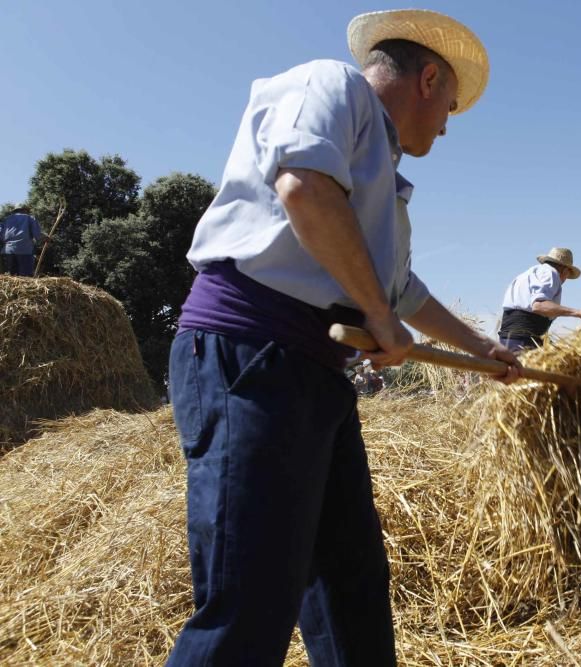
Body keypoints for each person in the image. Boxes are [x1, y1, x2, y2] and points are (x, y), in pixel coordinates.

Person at [165, 10, 521, 666]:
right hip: (252, 356)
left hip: (314, 375)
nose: (448, 121)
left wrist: (481, 348)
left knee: (349, 588)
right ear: (428, 77)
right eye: (450, 103)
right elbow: (303, 189)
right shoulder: (331, 85)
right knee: (248, 607)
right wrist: (378, 317)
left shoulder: (387, 180)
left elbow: (400, 290)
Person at [497, 247, 581, 351]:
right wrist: (578, 312)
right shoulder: (551, 273)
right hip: (523, 342)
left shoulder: (528, 274)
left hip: (508, 340)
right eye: (568, 275)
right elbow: (539, 305)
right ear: (565, 271)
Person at [0, 207, 50, 276]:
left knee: (11, 277)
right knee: (25, 277)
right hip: (24, 251)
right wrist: (46, 238)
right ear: (24, 210)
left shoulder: (6, 220)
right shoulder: (30, 218)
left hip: (8, 251)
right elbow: (37, 235)